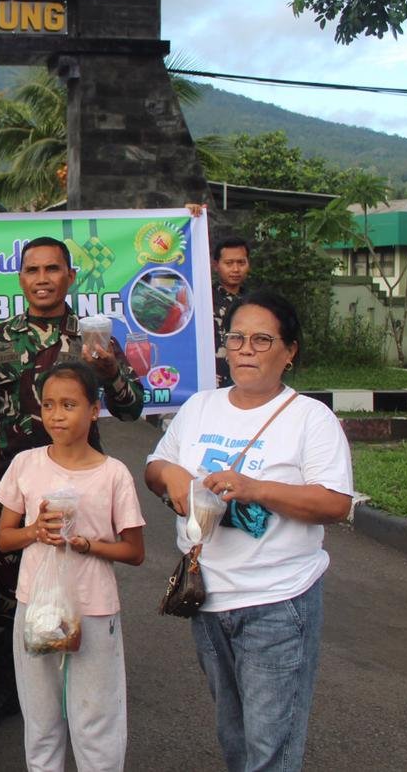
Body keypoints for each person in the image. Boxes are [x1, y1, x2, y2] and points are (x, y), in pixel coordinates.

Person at [145, 290, 353, 772]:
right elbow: (156, 466)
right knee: (234, 731)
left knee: (270, 744)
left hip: (277, 601)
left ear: (290, 351)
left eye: (262, 340)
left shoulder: (310, 419)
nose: (244, 350)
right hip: (206, 596)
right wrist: (170, 476)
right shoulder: (200, 407)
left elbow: (334, 503)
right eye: (236, 338)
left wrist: (256, 489)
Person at [0, 236, 144, 734]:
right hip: (15, 483)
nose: (42, 279)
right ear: (21, 279)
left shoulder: (93, 339)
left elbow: (131, 408)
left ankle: (80, 676)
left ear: (70, 276)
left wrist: (111, 373)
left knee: (80, 574)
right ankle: (4, 687)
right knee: (8, 585)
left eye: (53, 269)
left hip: (79, 481)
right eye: (32, 270)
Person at [0, 361, 145, 772]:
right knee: (41, 718)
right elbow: (4, 538)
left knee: (96, 718)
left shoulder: (113, 474)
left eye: (69, 405)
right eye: (48, 405)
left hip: (93, 609)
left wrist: (89, 545)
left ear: (94, 410)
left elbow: (134, 551)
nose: (56, 415)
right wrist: (35, 531)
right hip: (37, 606)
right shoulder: (26, 464)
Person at [212, 237, 251, 388]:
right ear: (216, 265)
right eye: (229, 263)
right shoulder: (203, 300)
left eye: (241, 263)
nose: (235, 269)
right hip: (212, 379)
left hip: (246, 378)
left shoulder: (254, 303)